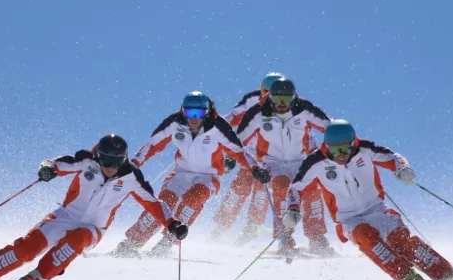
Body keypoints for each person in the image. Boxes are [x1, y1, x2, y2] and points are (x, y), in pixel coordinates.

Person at [0, 134, 188, 280]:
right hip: (65, 215)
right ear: (98, 156)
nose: (110, 168)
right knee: (28, 247)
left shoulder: (131, 177)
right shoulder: (86, 160)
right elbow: (56, 163)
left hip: (94, 228)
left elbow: (154, 204)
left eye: (116, 162)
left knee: (76, 240)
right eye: (106, 161)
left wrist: (172, 224)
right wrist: (48, 170)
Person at [282, 120, 453, 280]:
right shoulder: (315, 162)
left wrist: (403, 170)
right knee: (366, 236)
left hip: (376, 210)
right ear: (327, 146)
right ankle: (410, 278)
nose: (341, 155)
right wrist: (292, 209)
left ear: (353, 143)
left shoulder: (365, 150)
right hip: (348, 218)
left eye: (345, 149)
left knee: (401, 241)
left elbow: (393, 157)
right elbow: (296, 188)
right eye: (335, 150)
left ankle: (449, 277)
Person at [113, 92, 270, 258]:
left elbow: (238, 151)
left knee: (193, 199)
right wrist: (135, 163)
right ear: (183, 111)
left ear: (207, 112)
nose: (193, 118)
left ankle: (166, 243)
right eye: (189, 113)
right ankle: (131, 243)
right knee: (165, 202)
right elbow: (152, 144)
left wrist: (255, 169)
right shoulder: (175, 123)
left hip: (209, 176)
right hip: (182, 172)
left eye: (198, 113)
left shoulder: (218, 127)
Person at [235, 77, 333, 257]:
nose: (281, 105)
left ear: (294, 98)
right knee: (281, 186)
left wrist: (342, 146)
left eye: (286, 101)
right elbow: (236, 143)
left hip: (300, 160)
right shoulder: (258, 112)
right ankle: (284, 237)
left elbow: (331, 128)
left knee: (312, 189)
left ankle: (316, 238)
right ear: (269, 97)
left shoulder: (304, 109)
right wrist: (243, 164)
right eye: (276, 100)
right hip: (272, 162)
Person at [211, 73, 287, 241]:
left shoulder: (289, 105)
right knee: (239, 187)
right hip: (250, 151)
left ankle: (251, 228)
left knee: (262, 190)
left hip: (270, 156)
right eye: (265, 92)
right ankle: (221, 226)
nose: (269, 97)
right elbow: (233, 117)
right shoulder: (252, 100)